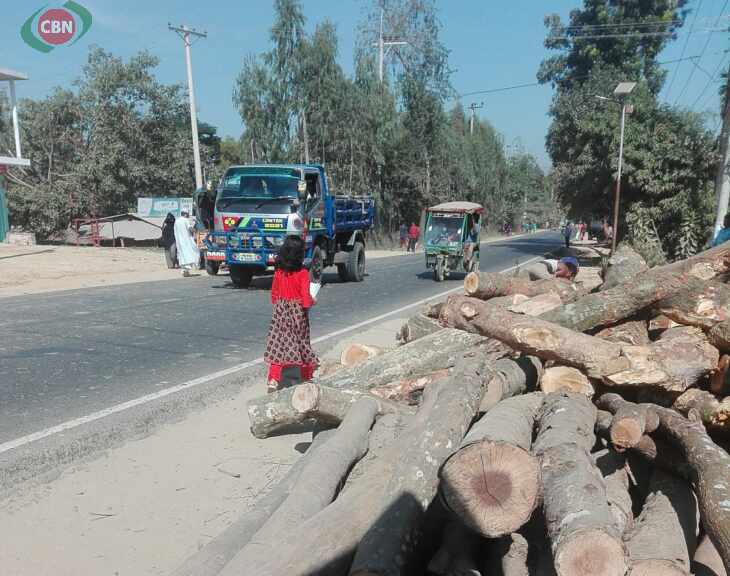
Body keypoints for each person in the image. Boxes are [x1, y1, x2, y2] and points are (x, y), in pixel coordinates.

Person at [264, 236, 318, 393]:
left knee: (278, 345)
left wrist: (280, 307)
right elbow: (306, 300)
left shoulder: (279, 272)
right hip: (297, 314)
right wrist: (313, 301)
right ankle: (306, 376)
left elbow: (274, 294)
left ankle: (273, 380)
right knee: (302, 344)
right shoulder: (303, 273)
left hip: (280, 312)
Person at [174, 210, 200, 277]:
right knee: (194, 251)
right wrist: (195, 229)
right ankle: (187, 269)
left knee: (183, 255)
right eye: (188, 214)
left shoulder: (177, 221)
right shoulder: (185, 220)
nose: (188, 215)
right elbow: (190, 229)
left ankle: (185, 270)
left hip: (179, 241)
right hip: (187, 240)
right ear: (185, 214)